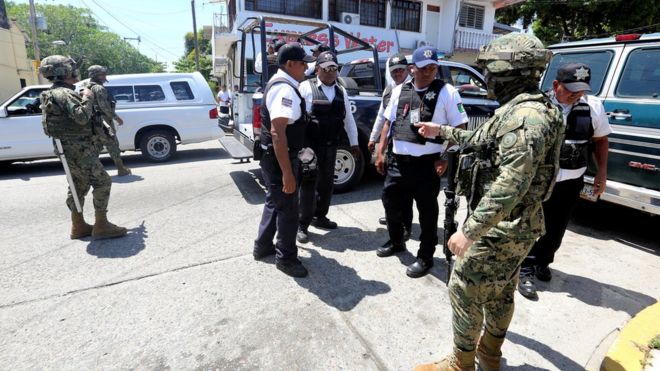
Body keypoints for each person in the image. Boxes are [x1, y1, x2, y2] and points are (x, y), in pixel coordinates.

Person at [412, 33, 563, 370]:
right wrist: (443, 131)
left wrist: (470, 231)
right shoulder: (523, 108)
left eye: (492, 71)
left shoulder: (527, 117)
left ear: (511, 71)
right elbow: (485, 143)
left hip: (502, 227)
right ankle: (489, 355)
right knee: (500, 290)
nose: (488, 78)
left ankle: (461, 364)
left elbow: (513, 181)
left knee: (464, 287)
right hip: (513, 224)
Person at [518, 63, 612, 300]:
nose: (576, 95)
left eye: (581, 90)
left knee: (557, 227)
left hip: (570, 181)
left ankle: (543, 261)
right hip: (538, 181)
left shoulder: (593, 107)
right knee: (530, 225)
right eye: (570, 90)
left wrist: (601, 173)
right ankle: (525, 269)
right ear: (555, 85)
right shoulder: (538, 106)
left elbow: (600, 140)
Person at [375, 46, 468, 278]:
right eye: (423, 68)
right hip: (398, 161)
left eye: (433, 67)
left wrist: (445, 157)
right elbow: (388, 122)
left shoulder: (447, 91)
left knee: (427, 213)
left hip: (428, 164)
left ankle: (425, 256)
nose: (428, 72)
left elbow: (460, 128)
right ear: (412, 69)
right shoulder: (399, 91)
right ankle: (397, 242)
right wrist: (380, 150)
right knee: (390, 202)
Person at [39, 55, 127, 240]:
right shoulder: (63, 93)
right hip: (79, 150)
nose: (75, 70)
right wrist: (87, 98)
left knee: (78, 185)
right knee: (103, 182)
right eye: (71, 67)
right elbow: (81, 116)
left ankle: (78, 225)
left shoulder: (54, 92)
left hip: (71, 149)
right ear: (63, 71)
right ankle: (102, 225)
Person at [253, 43, 316, 278]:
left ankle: (263, 246)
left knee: (274, 202)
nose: (306, 68)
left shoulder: (284, 84)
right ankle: (286, 258)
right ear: (290, 64)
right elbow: (278, 132)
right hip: (281, 159)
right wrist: (288, 173)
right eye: (303, 64)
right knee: (289, 208)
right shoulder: (285, 90)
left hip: (273, 157)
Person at [296, 51, 359, 243]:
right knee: (308, 185)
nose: (331, 72)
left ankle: (320, 217)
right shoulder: (306, 87)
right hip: (310, 147)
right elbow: (297, 120)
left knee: (327, 184)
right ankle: (302, 225)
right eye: (327, 68)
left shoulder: (341, 90)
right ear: (317, 69)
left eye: (334, 68)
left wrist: (354, 143)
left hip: (331, 146)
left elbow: (348, 119)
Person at [368, 53, 413, 240]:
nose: (397, 74)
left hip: (409, 147)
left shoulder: (414, 88)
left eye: (401, 70)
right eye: (394, 71)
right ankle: (393, 218)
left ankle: (406, 226)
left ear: (408, 70)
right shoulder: (388, 91)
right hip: (391, 144)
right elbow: (382, 117)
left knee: (406, 191)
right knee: (391, 187)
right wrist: (373, 138)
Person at [83, 65, 131, 176]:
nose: (105, 76)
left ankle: (90, 172)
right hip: (103, 122)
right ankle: (121, 169)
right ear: (95, 75)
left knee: (95, 147)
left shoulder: (85, 86)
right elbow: (104, 107)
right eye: (102, 74)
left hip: (90, 122)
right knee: (112, 144)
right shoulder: (99, 88)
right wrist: (116, 118)